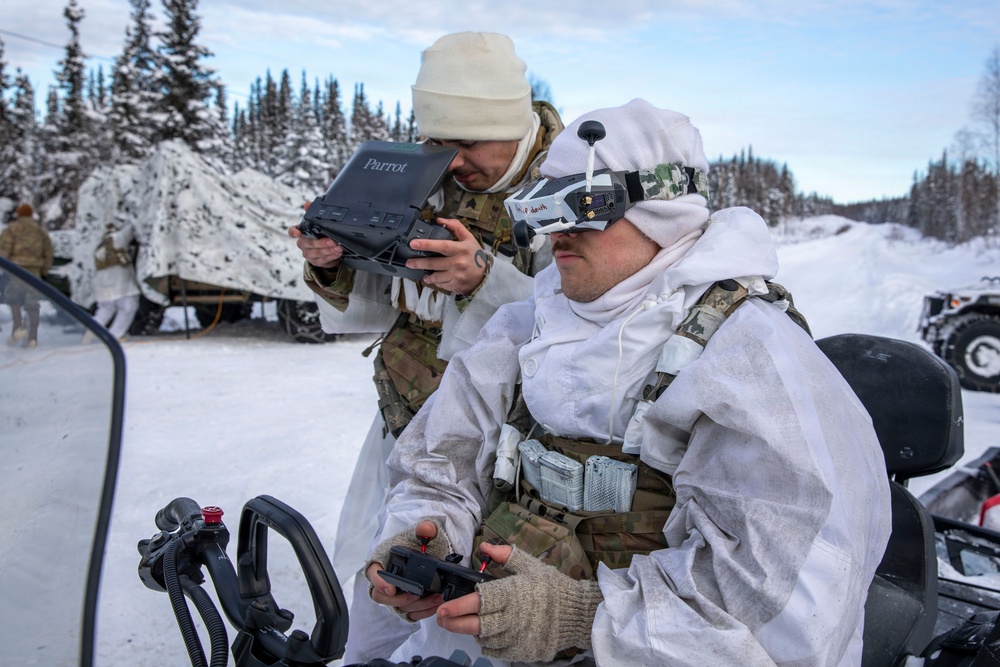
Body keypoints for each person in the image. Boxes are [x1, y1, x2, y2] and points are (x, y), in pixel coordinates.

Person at [363, 99, 892, 666]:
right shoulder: (525, 326)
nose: (557, 234)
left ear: (658, 211)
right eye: (543, 210)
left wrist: (579, 618)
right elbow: (440, 463)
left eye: (582, 207)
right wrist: (429, 534)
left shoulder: (748, 359)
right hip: (483, 638)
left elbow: (781, 609)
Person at [287, 32, 563, 663]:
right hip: (407, 418)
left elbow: (589, 320)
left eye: (468, 143)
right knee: (378, 590)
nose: (451, 160)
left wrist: (486, 281)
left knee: (465, 609)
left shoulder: (567, 183)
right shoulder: (422, 174)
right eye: (438, 140)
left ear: (512, 123)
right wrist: (332, 260)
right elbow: (381, 297)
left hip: (512, 449)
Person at [1, 203, 53, 348]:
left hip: (16, 271)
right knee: (32, 305)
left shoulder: (11, 230)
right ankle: (33, 338)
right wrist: (44, 272)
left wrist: (5, 269)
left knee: (14, 301)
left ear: (19, 214)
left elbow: (4, 251)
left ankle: (17, 329)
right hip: (34, 272)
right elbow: (48, 253)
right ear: (31, 215)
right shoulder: (40, 231)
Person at [88, 221, 140, 341]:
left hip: (103, 281)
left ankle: (90, 332)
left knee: (106, 309)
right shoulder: (118, 237)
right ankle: (115, 335)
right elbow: (132, 226)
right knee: (129, 306)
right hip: (119, 282)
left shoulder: (102, 242)